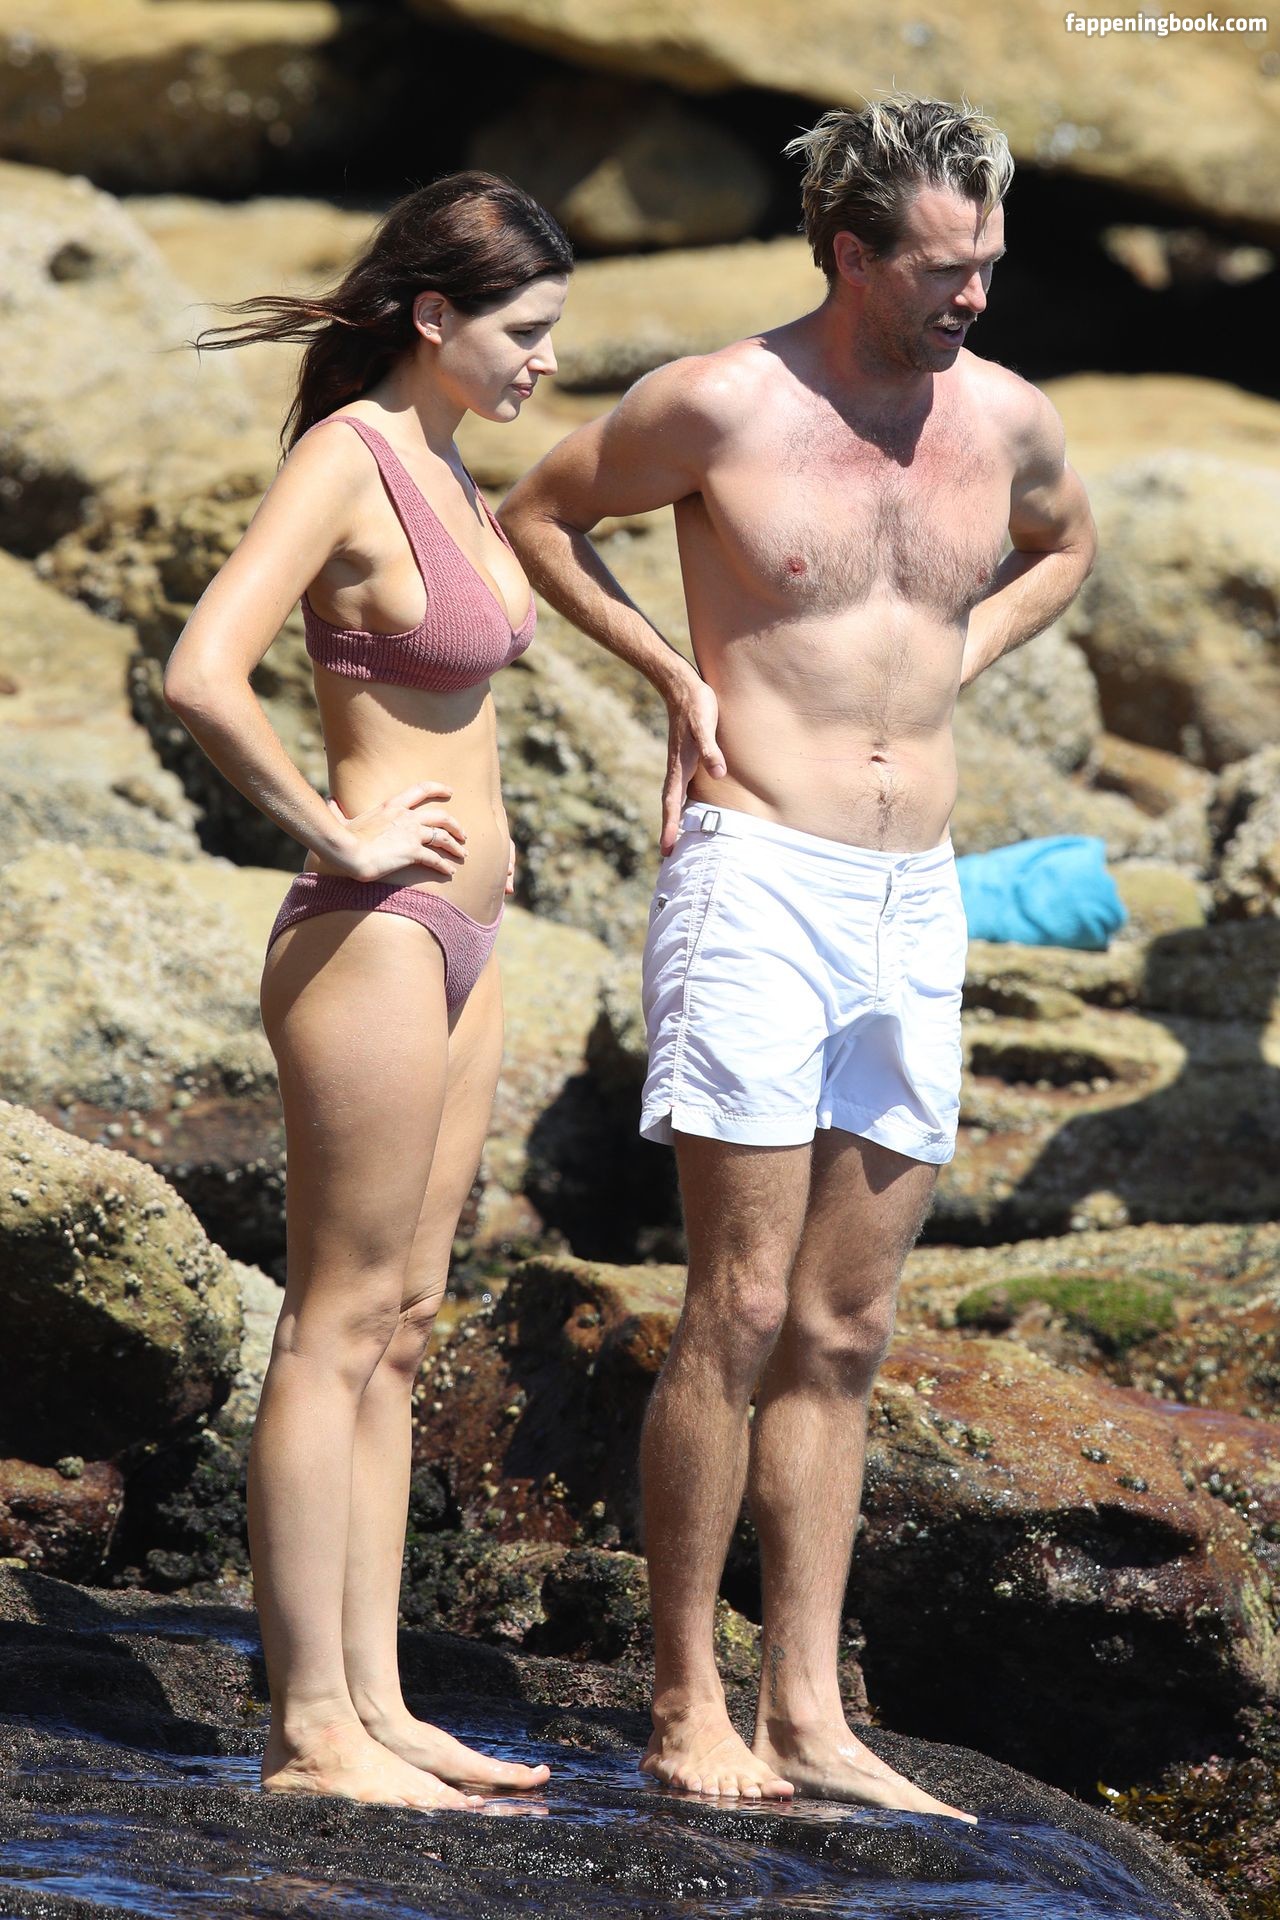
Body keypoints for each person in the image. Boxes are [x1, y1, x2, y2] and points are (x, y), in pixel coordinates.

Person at [499, 96, 1096, 1819]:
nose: (973, 294)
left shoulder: (1010, 418)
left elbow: (1067, 544)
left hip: (920, 896)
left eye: (988, 263)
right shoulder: (722, 403)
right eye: (942, 267)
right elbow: (539, 514)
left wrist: (964, 651)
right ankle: (685, 1701)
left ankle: (811, 1712)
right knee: (742, 1304)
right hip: (757, 874)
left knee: (847, 1321)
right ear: (850, 251)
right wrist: (671, 677)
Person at [163, 173, 571, 1810]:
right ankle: (308, 1730)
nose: (547, 359)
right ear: (434, 314)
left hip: (468, 942)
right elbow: (204, 671)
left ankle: (382, 1706)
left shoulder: (453, 465)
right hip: (372, 931)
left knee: (403, 1326)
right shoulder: (349, 458)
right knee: (333, 1323)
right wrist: (335, 828)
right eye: (525, 329)